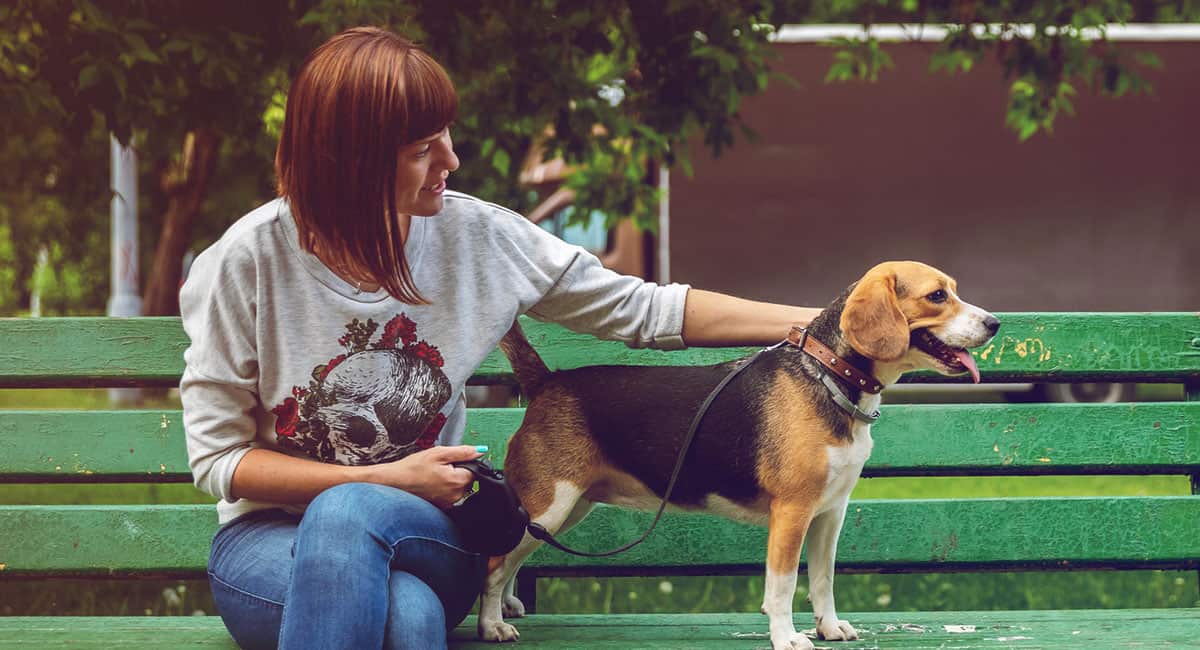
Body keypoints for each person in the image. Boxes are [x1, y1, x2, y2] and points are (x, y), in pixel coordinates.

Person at [179, 26, 820, 650]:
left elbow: (641, 309)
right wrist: (396, 477)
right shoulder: (244, 264)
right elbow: (218, 462)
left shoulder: (479, 239)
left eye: (445, 137)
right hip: (268, 544)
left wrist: (825, 325)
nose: (451, 162)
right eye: (422, 149)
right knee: (402, 616)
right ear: (351, 160)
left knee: (350, 517)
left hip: (430, 529)